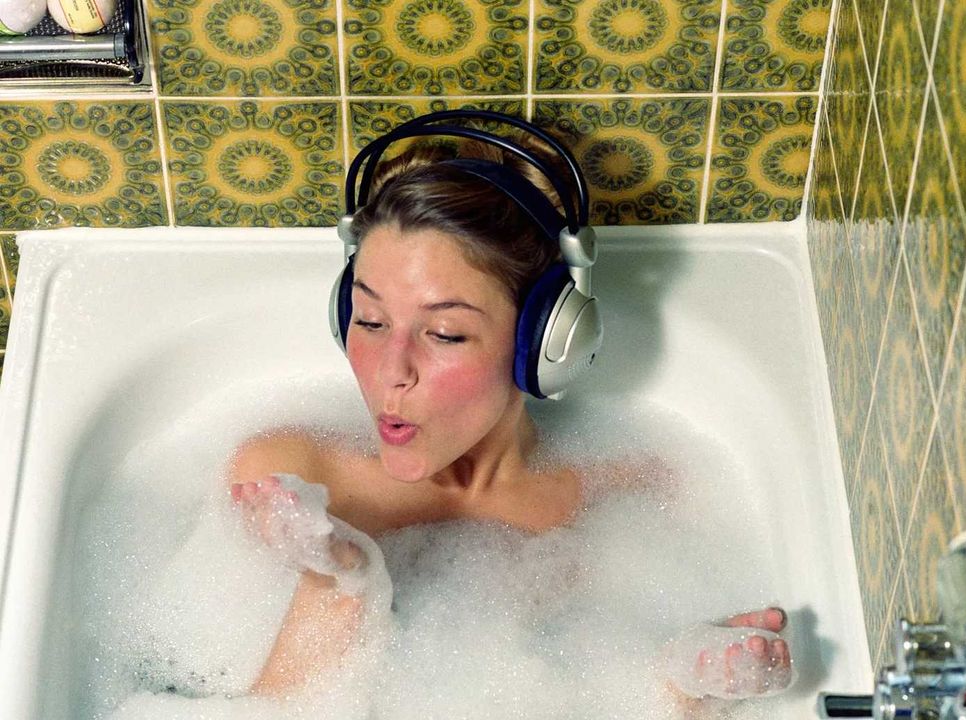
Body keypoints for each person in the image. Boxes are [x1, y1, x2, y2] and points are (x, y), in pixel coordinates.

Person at [223, 125, 793, 709]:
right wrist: (337, 579)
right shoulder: (289, 481)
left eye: (444, 332)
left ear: (543, 344)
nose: (392, 371)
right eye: (369, 320)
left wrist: (681, 690)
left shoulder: (615, 499)